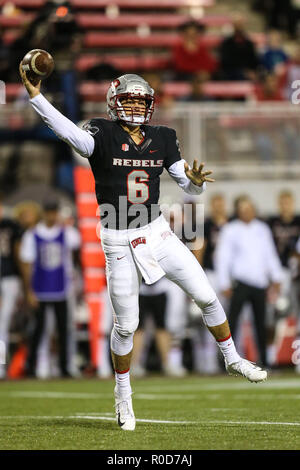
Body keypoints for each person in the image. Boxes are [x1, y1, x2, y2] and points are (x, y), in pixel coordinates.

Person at [20, 68, 268, 432]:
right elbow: (70, 134)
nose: (136, 107)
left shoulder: (163, 137)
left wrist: (196, 184)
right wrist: (37, 97)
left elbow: (190, 185)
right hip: (117, 238)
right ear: (114, 103)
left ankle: (231, 359)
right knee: (127, 325)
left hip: (157, 232)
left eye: (141, 101)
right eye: (130, 100)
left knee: (207, 296)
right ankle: (123, 395)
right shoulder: (100, 133)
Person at [215, 195, 283, 367]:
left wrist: (276, 276)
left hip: (259, 283)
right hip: (240, 283)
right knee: (231, 323)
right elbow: (223, 258)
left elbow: (270, 254)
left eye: (249, 208)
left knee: (261, 323)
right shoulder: (230, 229)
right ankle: (228, 360)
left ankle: (265, 360)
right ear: (238, 211)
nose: (247, 212)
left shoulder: (262, 228)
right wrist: (224, 282)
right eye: (243, 209)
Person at [19, 199, 80, 377]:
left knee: (63, 329)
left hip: (62, 287)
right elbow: (26, 263)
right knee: (38, 329)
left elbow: (76, 246)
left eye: (54, 212)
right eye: (49, 212)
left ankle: (64, 366)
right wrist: (29, 290)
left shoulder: (66, 232)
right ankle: (30, 366)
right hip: (40, 288)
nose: (52, 216)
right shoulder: (33, 234)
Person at [0, 196, 23, 378]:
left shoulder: (11, 225)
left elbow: (17, 253)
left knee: (3, 323)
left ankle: (1, 366)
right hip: (8, 278)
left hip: (9, 278)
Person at [219, 13, 259, 81]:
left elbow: (253, 60)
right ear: (233, 25)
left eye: (240, 24)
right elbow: (225, 61)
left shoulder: (249, 43)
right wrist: (243, 70)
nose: (239, 26)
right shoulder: (226, 43)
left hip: (247, 73)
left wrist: (252, 71)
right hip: (231, 73)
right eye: (237, 24)